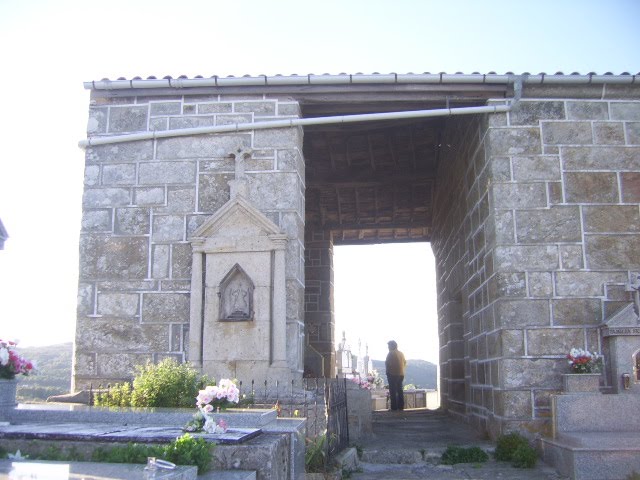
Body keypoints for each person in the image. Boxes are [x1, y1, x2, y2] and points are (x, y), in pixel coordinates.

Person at [385, 340, 407, 411]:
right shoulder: (401, 353)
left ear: (392, 346)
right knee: (400, 390)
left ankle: (394, 407)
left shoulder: (391, 353)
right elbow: (405, 362)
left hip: (392, 374)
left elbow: (387, 363)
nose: (388, 347)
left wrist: (387, 372)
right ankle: (401, 406)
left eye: (389, 346)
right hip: (401, 374)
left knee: (393, 391)